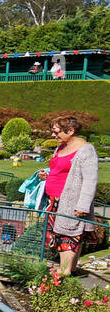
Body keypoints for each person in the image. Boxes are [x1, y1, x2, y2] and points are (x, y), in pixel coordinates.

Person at [41, 114, 99, 276]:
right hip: (54, 200)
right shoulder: (61, 147)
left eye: (56, 132)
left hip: (71, 201)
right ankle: (70, 269)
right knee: (60, 235)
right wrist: (47, 175)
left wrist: (83, 205)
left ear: (71, 130)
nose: (53, 135)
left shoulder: (86, 150)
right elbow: (58, 170)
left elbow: (90, 180)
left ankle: (64, 271)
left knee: (69, 235)